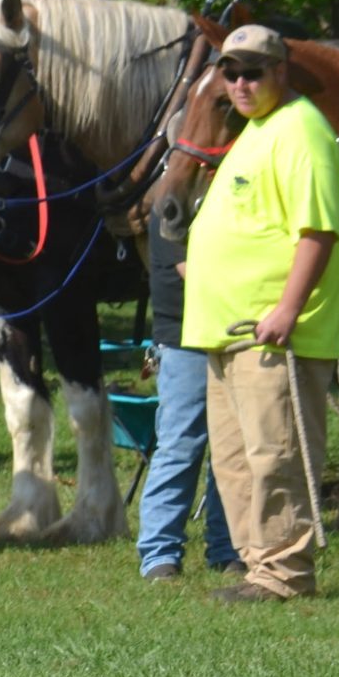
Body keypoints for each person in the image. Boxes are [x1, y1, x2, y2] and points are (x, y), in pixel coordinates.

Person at [184, 25, 339, 602]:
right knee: (235, 461)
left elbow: (319, 231)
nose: (241, 83)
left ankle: (285, 573)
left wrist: (287, 309)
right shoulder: (254, 131)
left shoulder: (302, 131)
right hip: (225, 329)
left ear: (282, 71)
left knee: (276, 456)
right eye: (231, 72)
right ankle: (260, 568)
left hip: (273, 334)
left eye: (254, 71)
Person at [136, 209, 240, 582]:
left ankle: (229, 549)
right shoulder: (173, 202)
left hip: (234, 333)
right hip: (185, 340)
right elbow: (195, 274)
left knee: (232, 450)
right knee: (181, 445)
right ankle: (159, 554)